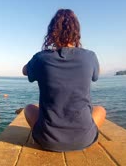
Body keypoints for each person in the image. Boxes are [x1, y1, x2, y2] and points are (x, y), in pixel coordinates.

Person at [22, 8, 106, 152]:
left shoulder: (41, 58)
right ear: (76, 32)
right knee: (101, 110)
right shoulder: (89, 56)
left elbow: (24, 71)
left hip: (47, 140)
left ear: (52, 32)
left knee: (29, 108)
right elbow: (96, 75)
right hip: (84, 139)